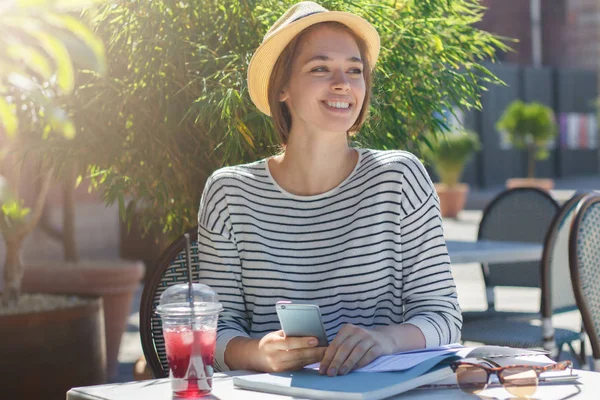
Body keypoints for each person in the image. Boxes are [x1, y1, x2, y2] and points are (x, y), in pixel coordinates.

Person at [197, 1, 462, 377]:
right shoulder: (228, 193)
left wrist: (384, 340)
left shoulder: (400, 179)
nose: (343, 83)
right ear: (282, 87)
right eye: (320, 68)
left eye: (354, 70)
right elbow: (211, 334)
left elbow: (444, 317)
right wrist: (258, 352)